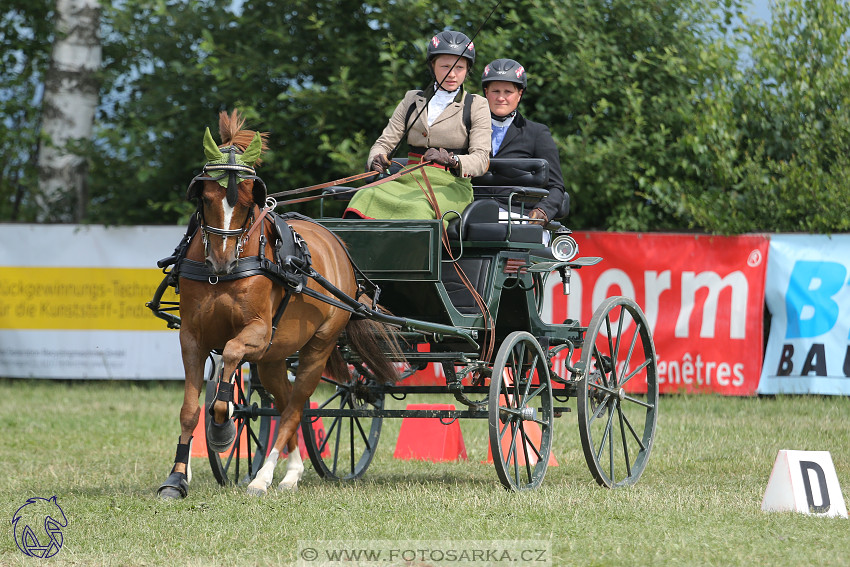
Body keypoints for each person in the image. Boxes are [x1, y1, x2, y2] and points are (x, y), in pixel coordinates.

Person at [343, 31, 491, 222]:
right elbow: (385, 142)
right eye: (445, 66)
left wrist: (452, 160)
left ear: (467, 69)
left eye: (460, 68)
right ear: (432, 65)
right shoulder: (412, 99)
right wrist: (375, 159)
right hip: (408, 178)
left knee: (417, 208)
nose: (452, 74)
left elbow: (481, 159)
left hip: (451, 185)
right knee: (363, 197)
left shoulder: (476, 105)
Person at [480, 58, 568, 225]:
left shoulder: (537, 133)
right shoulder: (468, 129)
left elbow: (556, 186)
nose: (501, 98)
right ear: (486, 92)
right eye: (495, 91)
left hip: (519, 215)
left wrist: (543, 210)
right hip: (474, 212)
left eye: (508, 92)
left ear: (519, 94)